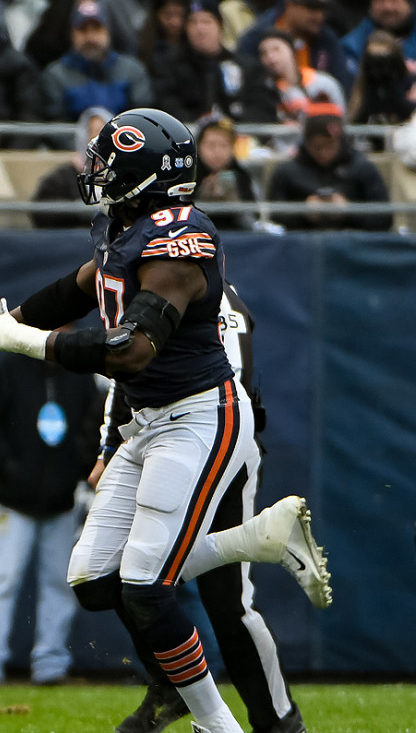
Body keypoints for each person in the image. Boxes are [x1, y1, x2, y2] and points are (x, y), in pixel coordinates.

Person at [0, 107, 331, 733]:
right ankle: (256, 542)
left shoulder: (180, 242)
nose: (95, 173)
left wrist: (24, 341)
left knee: (151, 585)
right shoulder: (125, 229)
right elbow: (83, 285)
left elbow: (131, 349)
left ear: (145, 175)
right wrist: (3, 325)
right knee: (92, 579)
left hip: (200, 418)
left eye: (108, 164)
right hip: (146, 423)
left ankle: (222, 726)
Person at [95, 281, 308, 733]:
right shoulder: (147, 279)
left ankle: (280, 722)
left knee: (227, 602)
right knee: (110, 574)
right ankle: (171, 682)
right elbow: (124, 371)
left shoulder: (204, 291)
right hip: (162, 448)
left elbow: (219, 387)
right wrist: (109, 448)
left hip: (217, 446)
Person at [0, 351, 103, 687]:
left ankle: (50, 667)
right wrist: (9, 467)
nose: (61, 326)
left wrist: (75, 470)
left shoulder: (79, 374)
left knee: (60, 584)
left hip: (61, 502)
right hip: (14, 501)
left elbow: (93, 429)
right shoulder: (10, 370)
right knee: (0, 582)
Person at [267, 101, 393, 232]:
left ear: (340, 141)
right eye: (317, 147)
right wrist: (304, 212)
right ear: (307, 142)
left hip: (353, 243)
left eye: (330, 146)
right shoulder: (287, 172)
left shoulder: (362, 168)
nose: (324, 153)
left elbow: (384, 218)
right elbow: (273, 218)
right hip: (302, 244)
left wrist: (348, 210)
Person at [40, 1, 153, 127]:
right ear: (72, 34)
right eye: (82, 30)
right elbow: (54, 124)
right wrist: (85, 143)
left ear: (108, 31)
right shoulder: (56, 75)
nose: (90, 37)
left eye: (97, 28)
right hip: (75, 146)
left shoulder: (132, 70)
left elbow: (142, 119)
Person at [236, 0, 354, 94]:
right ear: (290, 5)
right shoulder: (257, 37)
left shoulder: (327, 39)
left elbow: (343, 86)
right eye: (312, 8)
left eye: (322, 9)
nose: (319, 16)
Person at [154, 0, 246, 122]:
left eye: (206, 22)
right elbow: (167, 103)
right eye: (193, 22)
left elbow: (256, 104)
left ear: (220, 27)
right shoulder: (169, 66)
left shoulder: (243, 65)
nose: (199, 29)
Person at [237, 29, 346, 127]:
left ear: (292, 51)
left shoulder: (323, 83)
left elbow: (342, 119)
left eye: (276, 49)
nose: (270, 57)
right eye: (264, 53)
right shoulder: (264, 91)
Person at [30, 105, 110, 229]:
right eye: (94, 132)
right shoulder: (61, 177)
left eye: (104, 131)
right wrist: (79, 210)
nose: (100, 139)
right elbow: (40, 211)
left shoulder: (124, 174)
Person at [341, 0, 416, 77]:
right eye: (380, 0)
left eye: (394, 0)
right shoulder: (353, 45)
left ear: (410, 4)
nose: (387, 7)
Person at [192, 114, 259, 232]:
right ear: (198, 146)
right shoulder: (188, 176)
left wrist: (233, 204)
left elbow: (254, 217)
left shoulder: (241, 175)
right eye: (211, 145)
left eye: (224, 145)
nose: (217, 152)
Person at [347, 30, 416, 127]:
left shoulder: (411, 83)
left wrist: (395, 90)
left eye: (384, 59)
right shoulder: (361, 86)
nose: (379, 66)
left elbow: (410, 115)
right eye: (373, 59)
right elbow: (356, 119)